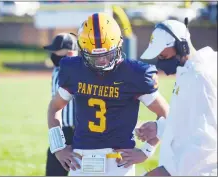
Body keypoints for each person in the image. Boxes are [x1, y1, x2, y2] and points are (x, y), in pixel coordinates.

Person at [47, 12, 169, 176]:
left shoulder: (135, 74)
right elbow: (54, 107)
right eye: (94, 56)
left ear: (118, 46)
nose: (102, 61)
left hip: (119, 162)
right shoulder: (74, 69)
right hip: (81, 161)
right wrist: (58, 147)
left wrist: (147, 150)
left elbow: (165, 114)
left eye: (107, 54)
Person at [136, 19, 217, 176]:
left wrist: (168, 172)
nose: (161, 63)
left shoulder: (200, 76)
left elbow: (207, 140)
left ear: (182, 46)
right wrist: (159, 128)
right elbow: (189, 121)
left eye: (164, 56)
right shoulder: (188, 72)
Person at [43, 33, 78, 176]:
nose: (53, 56)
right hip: (61, 129)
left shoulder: (79, 72)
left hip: (79, 132)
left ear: (70, 53)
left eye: (57, 52)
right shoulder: (57, 70)